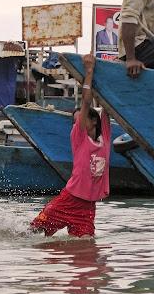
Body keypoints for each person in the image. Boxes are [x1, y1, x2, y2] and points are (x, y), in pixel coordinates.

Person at [31, 54, 111, 238]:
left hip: (87, 206)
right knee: (34, 232)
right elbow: (86, 101)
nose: (77, 123)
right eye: (75, 120)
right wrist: (89, 72)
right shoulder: (79, 137)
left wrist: (102, 72)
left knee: (86, 249)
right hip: (70, 199)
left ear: (93, 120)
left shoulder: (105, 137)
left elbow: (107, 106)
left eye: (81, 119)